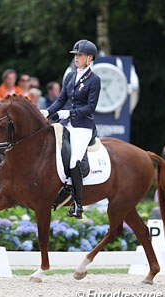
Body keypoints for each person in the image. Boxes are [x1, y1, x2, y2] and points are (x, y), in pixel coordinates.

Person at [40, 39, 101, 219]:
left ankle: (78, 204)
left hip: (83, 126)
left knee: (74, 161)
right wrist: (48, 111)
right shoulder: (70, 76)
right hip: (67, 124)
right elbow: (60, 99)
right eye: (75, 55)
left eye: (80, 55)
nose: (76, 58)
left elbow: (90, 107)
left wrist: (70, 113)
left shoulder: (94, 80)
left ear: (89, 58)